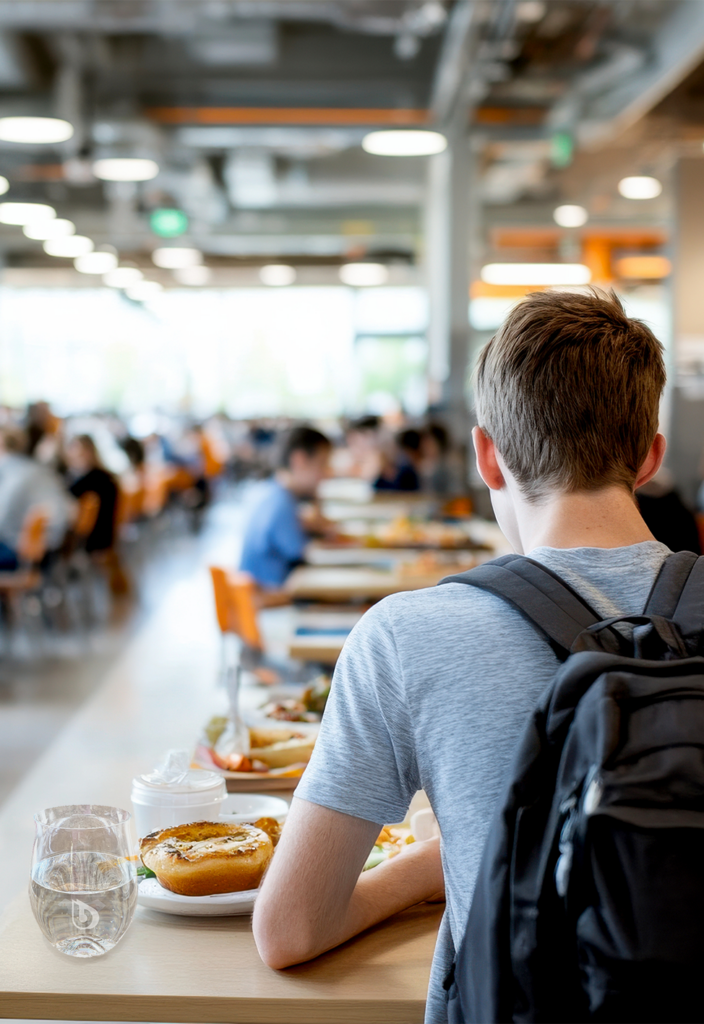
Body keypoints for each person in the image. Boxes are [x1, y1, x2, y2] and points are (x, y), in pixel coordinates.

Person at [252, 290, 670, 1024]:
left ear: (486, 457)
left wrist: (431, 864)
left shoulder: (405, 637)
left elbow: (290, 930)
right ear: (650, 455)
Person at [239, 426, 333, 591]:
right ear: (299, 460)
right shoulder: (281, 503)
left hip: (262, 595)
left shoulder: (270, 491)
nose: (327, 474)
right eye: (322, 464)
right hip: (272, 599)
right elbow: (306, 554)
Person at [0, 425, 73, 569]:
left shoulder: (12, 473)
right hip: (53, 546)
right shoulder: (36, 470)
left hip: (24, 555)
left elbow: (3, 521)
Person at [64, 434, 119, 554]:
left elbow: (65, 495)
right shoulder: (106, 476)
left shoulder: (90, 479)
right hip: (108, 534)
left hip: (93, 538)